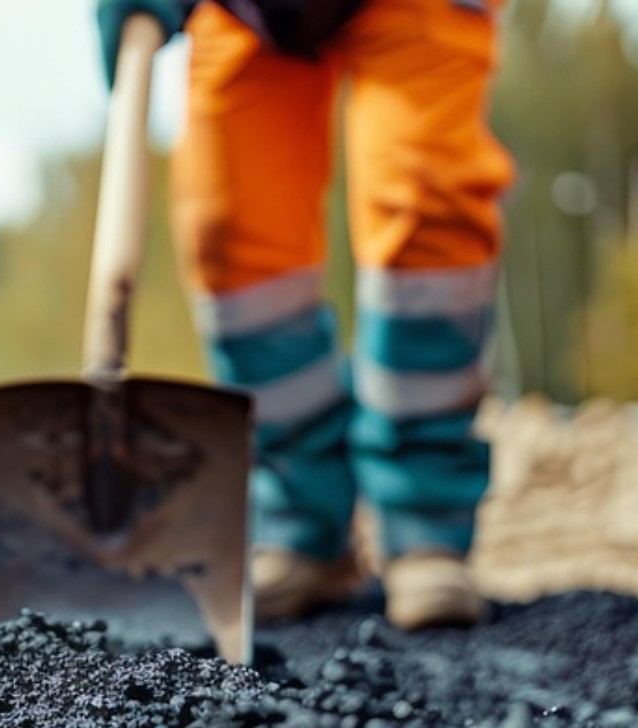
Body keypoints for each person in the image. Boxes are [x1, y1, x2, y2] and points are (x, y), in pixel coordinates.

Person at [96, 0, 514, 628]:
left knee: (425, 197)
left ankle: (424, 521)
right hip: (248, 12)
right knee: (232, 227)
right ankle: (300, 520)